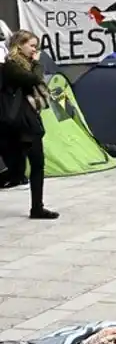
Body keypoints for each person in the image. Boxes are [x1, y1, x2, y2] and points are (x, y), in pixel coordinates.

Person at [1, 30, 56, 218]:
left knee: (37, 164)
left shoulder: (26, 65)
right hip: (15, 124)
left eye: (36, 46)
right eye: (32, 45)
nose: (35, 49)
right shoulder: (10, 66)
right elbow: (33, 79)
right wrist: (37, 63)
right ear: (19, 45)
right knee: (16, 173)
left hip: (29, 121)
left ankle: (37, 207)